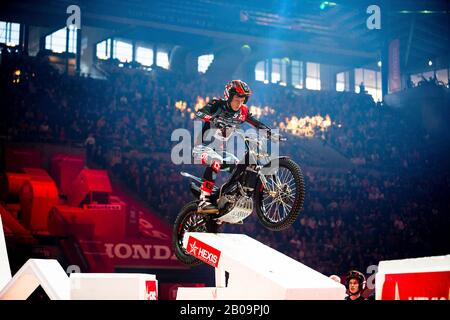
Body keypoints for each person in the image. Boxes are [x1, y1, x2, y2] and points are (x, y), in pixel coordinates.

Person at [193, 80, 273, 213]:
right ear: (228, 96)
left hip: (219, 151)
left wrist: (270, 132)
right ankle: (204, 200)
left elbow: (256, 123)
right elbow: (199, 113)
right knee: (216, 161)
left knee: (241, 167)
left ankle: (227, 198)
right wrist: (213, 119)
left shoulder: (243, 111)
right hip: (202, 149)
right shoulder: (217, 105)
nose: (239, 103)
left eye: (242, 100)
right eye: (236, 99)